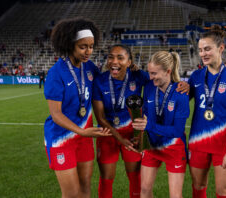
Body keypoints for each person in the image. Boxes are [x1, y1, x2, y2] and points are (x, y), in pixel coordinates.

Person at [92, 45, 189, 198]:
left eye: (120, 58)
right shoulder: (102, 80)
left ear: (129, 62)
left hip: (150, 140)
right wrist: (126, 137)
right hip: (119, 136)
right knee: (118, 182)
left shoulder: (145, 78)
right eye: (111, 57)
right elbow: (100, 117)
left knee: (142, 182)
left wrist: (186, 85)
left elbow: (164, 80)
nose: (114, 61)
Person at [43, 17, 111, 198]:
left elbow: (107, 83)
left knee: (85, 189)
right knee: (72, 194)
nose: (89, 51)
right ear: (69, 44)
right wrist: (82, 132)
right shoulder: (55, 73)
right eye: (83, 46)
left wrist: (129, 68)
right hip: (61, 139)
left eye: (91, 46)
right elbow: (56, 114)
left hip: (84, 139)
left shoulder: (89, 67)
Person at [187, 25, 226, 198]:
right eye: (200, 50)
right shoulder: (195, 76)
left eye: (207, 49)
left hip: (224, 145)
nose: (203, 54)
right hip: (198, 142)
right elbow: (180, 103)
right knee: (198, 187)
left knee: (224, 192)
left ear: (221, 48)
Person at [132, 51, 190, 198]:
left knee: (175, 196)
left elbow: (177, 131)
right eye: (149, 73)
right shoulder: (150, 85)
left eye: (154, 73)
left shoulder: (181, 93)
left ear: (168, 71)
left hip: (174, 147)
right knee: (144, 190)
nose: (150, 77)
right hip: (151, 145)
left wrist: (149, 126)